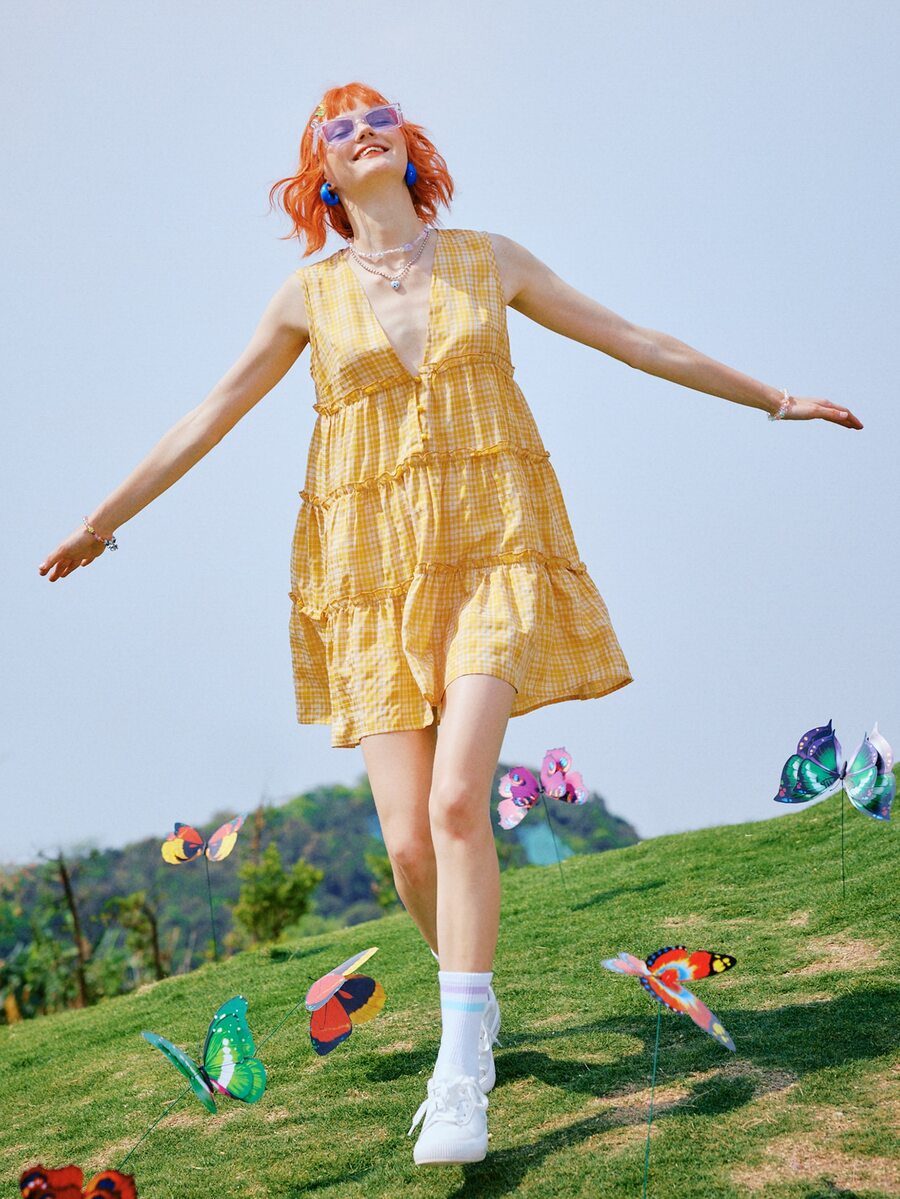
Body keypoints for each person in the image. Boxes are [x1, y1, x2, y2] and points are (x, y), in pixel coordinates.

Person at [39, 82, 862, 1166]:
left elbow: (631, 337)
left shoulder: (490, 258)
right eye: (338, 127)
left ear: (411, 148)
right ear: (321, 176)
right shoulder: (306, 296)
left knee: (459, 798)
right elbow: (210, 413)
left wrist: (775, 397)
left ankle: (461, 1065)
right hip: (369, 572)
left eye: (379, 115)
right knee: (407, 844)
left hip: (496, 549)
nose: (363, 131)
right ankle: (471, 988)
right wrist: (101, 522)